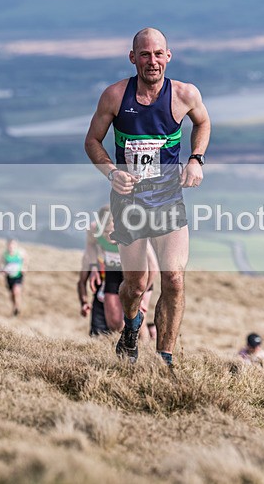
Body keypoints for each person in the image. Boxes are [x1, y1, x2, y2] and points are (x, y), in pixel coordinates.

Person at [85, 27, 211, 366]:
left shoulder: (185, 94)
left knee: (173, 278)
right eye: (144, 54)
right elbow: (92, 142)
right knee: (135, 285)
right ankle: (130, 327)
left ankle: (164, 359)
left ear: (168, 56)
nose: (152, 61)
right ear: (133, 58)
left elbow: (203, 123)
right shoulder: (114, 96)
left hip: (168, 200)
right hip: (129, 203)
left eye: (158, 54)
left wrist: (196, 160)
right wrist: (112, 173)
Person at [78, 205, 157, 339]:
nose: (108, 237)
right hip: (113, 271)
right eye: (104, 232)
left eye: (111, 232)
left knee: (137, 314)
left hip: (138, 275)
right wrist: (93, 267)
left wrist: (142, 294)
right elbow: (90, 246)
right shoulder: (93, 230)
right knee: (114, 321)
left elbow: (153, 268)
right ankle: (119, 345)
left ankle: (144, 348)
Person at [0, 238, 28, 317]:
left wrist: (24, 267)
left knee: (16, 291)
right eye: (10, 245)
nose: (11, 247)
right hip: (9, 276)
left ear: (16, 246)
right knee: (12, 294)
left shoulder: (20, 253)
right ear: (7, 246)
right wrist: (1, 270)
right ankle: (14, 306)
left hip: (18, 275)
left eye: (13, 245)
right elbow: (0, 264)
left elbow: (25, 259)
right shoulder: (5, 254)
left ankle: (17, 308)